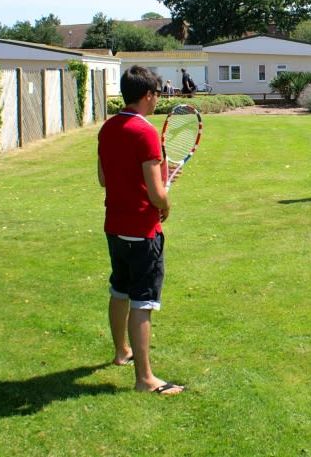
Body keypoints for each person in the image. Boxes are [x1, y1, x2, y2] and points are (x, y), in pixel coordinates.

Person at [97, 65, 184, 395]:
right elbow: (155, 192)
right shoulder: (145, 132)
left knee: (119, 289)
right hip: (141, 229)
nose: (157, 99)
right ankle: (145, 379)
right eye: (156, 94)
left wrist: (159, 177)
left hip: (114, 226)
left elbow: (105, 178)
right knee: (143, 301)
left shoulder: (107, 128)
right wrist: (166, 203)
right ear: (148, 95)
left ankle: (122, 352)